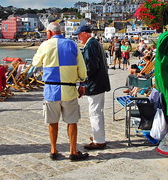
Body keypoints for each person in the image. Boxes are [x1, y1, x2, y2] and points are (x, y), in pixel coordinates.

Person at [32, 22, 89, 161]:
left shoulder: (45, 45)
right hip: (68, 88)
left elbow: (36, 63)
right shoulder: (72, 45)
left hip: (51, 89)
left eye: (46, 32)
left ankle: (53, 149)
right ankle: (73, 151)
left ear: (50, 33)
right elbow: (82, 68)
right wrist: (82, 83)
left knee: (53, 121)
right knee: (72, 121)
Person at [73, 25, 111, 150]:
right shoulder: (95, 43)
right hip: (100, 82)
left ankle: (99, 140)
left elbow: (90, 67)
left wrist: (82, 79)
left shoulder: (90, 45)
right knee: (97, 111)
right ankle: (98, 136)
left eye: (79, 35)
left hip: (95, 84)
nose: (78, 38)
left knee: (95, 112)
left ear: (85, 33)